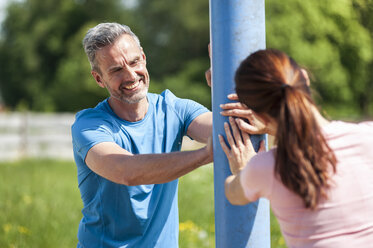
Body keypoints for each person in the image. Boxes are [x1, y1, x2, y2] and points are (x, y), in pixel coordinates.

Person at [71, 22, 213, 248]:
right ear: (99, 79)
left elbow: (227, 128)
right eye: (116, 70)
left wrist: (228, 82)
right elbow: (127, 171)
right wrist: (206, 155)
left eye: (135, 62)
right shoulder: (90, 126)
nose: (130, 75)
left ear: (144, 58)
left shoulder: (173, 108)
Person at [219, 49, 373, 248]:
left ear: (260, 115)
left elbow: (232, 192)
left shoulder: (267, 167)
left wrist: (243, 170)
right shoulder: (366, 136)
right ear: (305, 78)